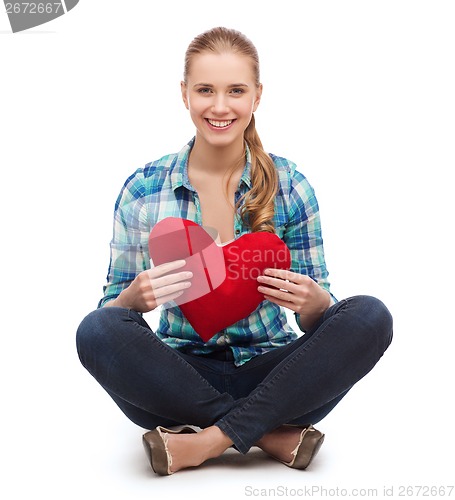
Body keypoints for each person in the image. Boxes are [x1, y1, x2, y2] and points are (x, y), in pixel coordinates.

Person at [76, 26, 393, 476]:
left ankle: (205, 440)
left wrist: (317, 304)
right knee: (95, 331)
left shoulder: (291, 187)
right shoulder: (144, 189)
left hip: (277, 376)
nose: (220, 106)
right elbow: (110, 314)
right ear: (184, 94)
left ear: (257, 97)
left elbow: (321, 324)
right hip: (176, 379)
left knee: (370, 315)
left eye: (235, 91)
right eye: (205, 90)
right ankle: (265, 433)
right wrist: (132, 300)